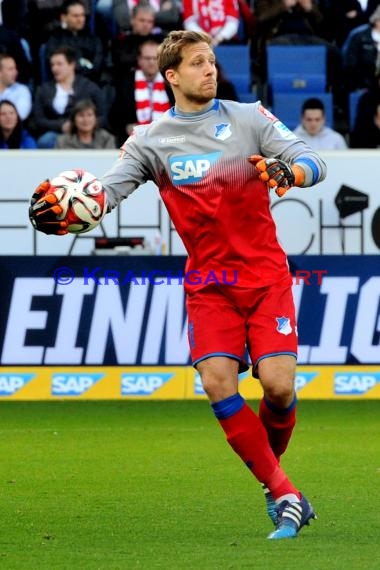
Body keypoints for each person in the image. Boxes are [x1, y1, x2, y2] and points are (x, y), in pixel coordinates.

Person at [29, 30, 327, 540]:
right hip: (210, 284)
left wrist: (289, 172)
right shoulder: (150, 140)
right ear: (171, 76)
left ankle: (273, 480)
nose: (210, 70)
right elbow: (108, 191)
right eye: (197, 63)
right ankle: (284, 492)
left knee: (278, 387)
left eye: (211, 61)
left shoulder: (250, 117)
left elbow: (312, 160)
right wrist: (80, 204)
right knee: (217, 382)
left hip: (264, 276)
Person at [33, 46, 106, 148]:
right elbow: (39, 120)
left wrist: (86, 126)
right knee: (46, 141)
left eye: (59, 64)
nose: (54, 68)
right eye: (52, 65)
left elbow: (103, 116)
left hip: (87, 133)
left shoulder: (90, 87)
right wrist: (61, 126)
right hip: (56, 133)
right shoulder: (44, 90)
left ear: (72, 65)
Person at [110, 38, 173, 145]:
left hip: (166, 141)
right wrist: (126, 127)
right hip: (133, 142)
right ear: (139, 60)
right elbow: (114, 116)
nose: (152, 62)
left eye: (155, 58)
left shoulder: (171, 83)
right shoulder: (125, 83)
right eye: (147, 58)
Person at [44, 0, 104, 83]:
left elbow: (97, 67)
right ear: (63, 17)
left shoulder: (94, 40)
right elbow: (54, 66)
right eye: (75, 16)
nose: (81, 19)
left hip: (89, 86)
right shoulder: (55, 40)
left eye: (82, 15)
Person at [0, 53, 32, 120]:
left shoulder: (22, 90)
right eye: (10, 69)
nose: (16, 72)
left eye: (15, 68)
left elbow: (19, 116)